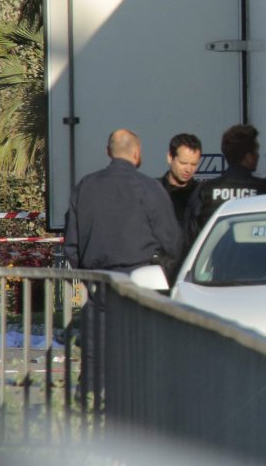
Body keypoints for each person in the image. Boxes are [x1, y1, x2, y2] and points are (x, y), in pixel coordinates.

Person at [63, 129, 183, 395]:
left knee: (95, 356)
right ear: (137, 154)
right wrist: (164, 271)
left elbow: (71, 243)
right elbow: (173, 242)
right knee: (141, 356)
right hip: (141, 284)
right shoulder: (150, 188)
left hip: (98, 283)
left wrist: (87, 274)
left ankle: (91, 415)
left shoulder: (85, 187)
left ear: (108, 152)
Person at [184, 124, 266, 242]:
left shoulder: (205, 190)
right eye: (256, 151)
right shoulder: (265, 189)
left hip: (214, 258)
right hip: (256, 257)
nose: (258, 155)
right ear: (249, 157)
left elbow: (190, 234)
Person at [159, 133, 202, 228]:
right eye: (183, 163)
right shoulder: (154, 191)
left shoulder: (202, 194)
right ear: (170, 158)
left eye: (194, 164)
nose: (188, 169)